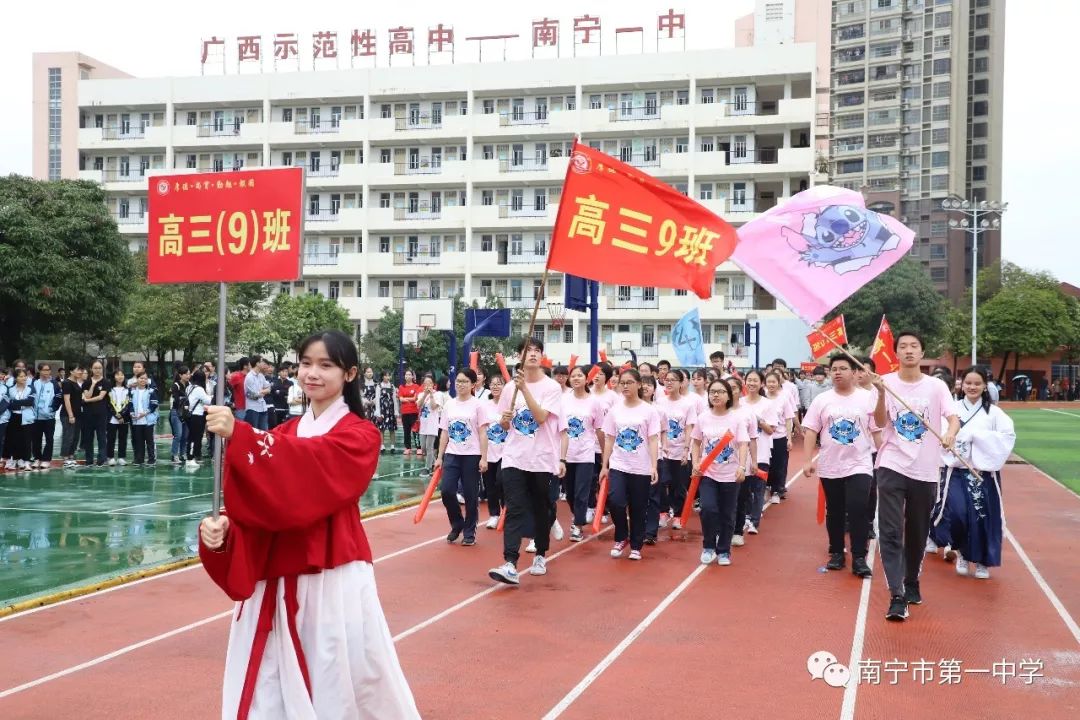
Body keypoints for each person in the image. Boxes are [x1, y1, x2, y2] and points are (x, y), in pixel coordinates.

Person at [198, 330, 420, 719]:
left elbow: (307, 469)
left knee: (337, 678)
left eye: (325, 365)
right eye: (305, 363)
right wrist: (224, 532)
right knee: (266, 685)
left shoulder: (359, 435)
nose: (311, 373)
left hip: (329, 578)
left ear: (349, 374)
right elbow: (261, 500)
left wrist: (241, 434)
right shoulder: (280, 435)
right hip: (274, 575)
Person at [874, 331, 960, 622]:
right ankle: (896, 595)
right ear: (895, 352)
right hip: (891, 464)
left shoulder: (936, 387)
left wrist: (949, 434)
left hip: (925, 469)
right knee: (890, 530)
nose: (909, 351)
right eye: (903, 347)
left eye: (914, 346)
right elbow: (880, 422)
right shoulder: (885, 382)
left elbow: (953, 417)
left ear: (922, 353)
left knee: (917, 530)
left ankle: (911, 579)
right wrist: (882, 394)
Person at [488, 338, 563, 585]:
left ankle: (540, 553)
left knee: (541, 508)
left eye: (537, 351)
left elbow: (541, 417)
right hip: (513, 457)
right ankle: (510, 562)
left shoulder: (551, 387)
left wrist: (525, 389)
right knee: (515, 507)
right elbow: (505, 423)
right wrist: (505, 420)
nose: (532, 354)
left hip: (541, 459)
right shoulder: (510, 388)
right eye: (528, 351)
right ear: (520, 356)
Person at [930, 368, 1015, 580]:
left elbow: (1007, 437)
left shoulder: (994, 413)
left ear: (985, 385)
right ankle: (962, 552)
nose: (972, 387)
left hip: (982, 474)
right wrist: (946, 440)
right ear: (961, 384)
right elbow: (940, 433)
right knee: (957, 515)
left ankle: (983, 562)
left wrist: (976, 437)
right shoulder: (953, 409)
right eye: (968, 382)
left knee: (982, 519)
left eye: (977, 383)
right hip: (957, 472)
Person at [801, 354, 876, 579]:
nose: (837, 372)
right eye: (834, 369)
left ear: (854, 372)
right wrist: (807, 460)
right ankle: (836, 552)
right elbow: (812, 430)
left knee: (857, 508)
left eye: (843, 368)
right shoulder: (822, 400)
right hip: (830, 464)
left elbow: (878, 429)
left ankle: (859, 557)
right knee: (834, 511)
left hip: (860, 463)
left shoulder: (868, 397)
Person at [599, 369, 661, 560]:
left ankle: (636, 544)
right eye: (622, 383)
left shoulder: (649, 411)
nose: (625, 386)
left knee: (638, 507)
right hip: (619, 465)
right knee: (616, 502)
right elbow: (609, 439)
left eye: (629, 382)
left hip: (641, 467)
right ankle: (621, 537)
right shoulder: (614, 410)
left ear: (639, 384)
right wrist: (604, 465)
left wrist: (653, 466)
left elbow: (652, 439)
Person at [690, 378, 749, 566]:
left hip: (731, 475)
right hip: (709, 473)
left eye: (720, 391)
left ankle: (723, 550)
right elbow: (697, 442)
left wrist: (741, 467)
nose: (715, 394)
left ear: (728, 396)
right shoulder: (703, 418)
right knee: (708, 509)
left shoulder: (737, 418)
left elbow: (743, 443)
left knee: (727, 513)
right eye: (712, 391)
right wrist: (695, 462)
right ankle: (708, 546)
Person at [434, 369, 490, 547]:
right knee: (447, 491)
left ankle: (469, 532)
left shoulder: (478, 405)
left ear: (473, 384)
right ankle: (457, 523)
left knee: (471, 495)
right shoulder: (450, 404)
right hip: (452, 454)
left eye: (465, 381)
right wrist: (439, 457)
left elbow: (482, 433)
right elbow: (444, 432)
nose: (460, 384)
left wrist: (484, 457)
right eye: (458, 381)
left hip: (471, 455)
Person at [559, 366, 603, 542]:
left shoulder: (594, 402)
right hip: (566, 453)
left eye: (580, 375)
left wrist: (606, 455)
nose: (576, 378)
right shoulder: (563, 400)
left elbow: (599, 429)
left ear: (587, 379)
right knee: (569, 493)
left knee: (581, 492)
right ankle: (578, 515)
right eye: (573, 376)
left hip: (586, 453)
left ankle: (577, 525)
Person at [652, 369, 697, 535]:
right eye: (667, 379)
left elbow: (689, 427)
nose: (669, 382)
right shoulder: (659, 402)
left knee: (678, 485)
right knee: (661, 482)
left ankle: (678, 514)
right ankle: (663, 512)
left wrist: (686, 449)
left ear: (681, 383)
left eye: (673, 380)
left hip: (680, 450)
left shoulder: (687, 404)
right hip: (662, 450)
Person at [740, 370, 778, 534]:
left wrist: (759, 420)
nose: (752, 383)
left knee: (759, 488)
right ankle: (746, 516)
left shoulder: (767, 404)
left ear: (761, 383)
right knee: (744, 489)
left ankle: (755, 521)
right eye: (749, 380)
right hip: (742, 453)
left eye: (755, 381)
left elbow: (771, 430)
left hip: (761, 452)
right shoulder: (739, 403)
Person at [728, 376, 760, 548]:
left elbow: (753, 439)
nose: (730, 391)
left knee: (740, 499)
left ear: (740, 390)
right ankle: (723, 530)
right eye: (728, 387)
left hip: (742, 465)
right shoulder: (716, 411)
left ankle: (737, 532)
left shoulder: (748, 413)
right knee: (722, 501)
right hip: (720, 464)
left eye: (734, 388)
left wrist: (754, 461)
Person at [764, 370, 795, 502]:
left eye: (774, 382)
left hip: (779, 437)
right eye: (768, 382)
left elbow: (788, 419)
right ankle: (765, 487)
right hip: (764, 437)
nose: (771, 384)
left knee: (779, 465)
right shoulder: (762, 397)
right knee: (766, 464)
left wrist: (789, 438)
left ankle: (777, 490)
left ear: (778, 383)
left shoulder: (784, 398)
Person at [483, 375, 508, 529]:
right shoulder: (484, 405)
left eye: (499, 384)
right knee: (489, 484)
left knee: (502, 481)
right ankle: (494, 514)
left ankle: (506, 510)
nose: (496, 387)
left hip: (506, 452)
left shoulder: (509, 405)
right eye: (493, 384)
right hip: (488, 451)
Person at [30, 363, 62, 470]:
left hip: (49, 418)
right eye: (44, 370)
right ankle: (37, 458)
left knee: (49, 439)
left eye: (48, 370)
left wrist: (52, 409)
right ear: (39, 371)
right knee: (36, 439)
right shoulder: (34, 383)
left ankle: (46, 460)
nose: (46, 372)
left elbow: (58, 397)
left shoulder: (54, 384)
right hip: (36, 417)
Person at [3, 369, 35, 471]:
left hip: (27, 417)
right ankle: (15, 460)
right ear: (16, 378)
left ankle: (26, 462)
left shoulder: (31, 389)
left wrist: (15, 402)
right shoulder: (10, 389)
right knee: (14, 440)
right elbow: (9, 405)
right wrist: (21, 402)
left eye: (24, 376)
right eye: (20, 376)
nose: (23, 378)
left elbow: (30, 402)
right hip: (14, 417)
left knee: (26, 440)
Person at [81, 360, 110, 468]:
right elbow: (87, 395)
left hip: (101, 414)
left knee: (101, 437)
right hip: (88, 415)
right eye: (95, 368)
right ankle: (89, 460)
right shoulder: (86, 383)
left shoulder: (106, 382)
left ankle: (101, 460)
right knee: (88, 438)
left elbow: (101, 397)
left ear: (102, 369)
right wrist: (93, 385)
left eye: (99, 368)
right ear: (91, 369)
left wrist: (87, 401)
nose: (97, 370)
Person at [129, 372, 159, 467]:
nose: (143, 380)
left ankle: (151, 459)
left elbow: (154, 404)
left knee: (149, 441)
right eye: (141, 378)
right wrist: (132, 413)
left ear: (147, 381)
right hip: (137, 421)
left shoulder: (151, 391)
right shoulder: (132, 392)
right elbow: (130, 404)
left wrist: (145, 412)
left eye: (145, 379)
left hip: (148, 420)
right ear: (137, 379)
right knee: (139, 441)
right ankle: (139, 459)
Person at [186, 370, 212, 467]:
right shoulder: (199, 389)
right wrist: (213, 396)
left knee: (191, 436)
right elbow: (208, 400)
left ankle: (190, 454)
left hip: (190, 414)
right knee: (197, 436)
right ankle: (195, 456)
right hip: (197, 415)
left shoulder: (189, 387)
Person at [105, 368, 131, 466]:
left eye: (122, 375)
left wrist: (122, 415)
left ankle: (121, 457)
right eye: (117, 374)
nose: (120, 377)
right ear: (114, 377)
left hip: (124, 419)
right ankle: (110, 457)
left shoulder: (128, 390)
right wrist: (117, 415)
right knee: (111, 438)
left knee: (123, 438)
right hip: (112, 419)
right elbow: (109, 404)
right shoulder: (109, 389)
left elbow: (128, 404)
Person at [61, 366, 85, 468]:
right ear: (71, 371)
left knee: (75, 437)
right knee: (68, 436)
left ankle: (71, 456)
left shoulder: (76, 383)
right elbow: (67, 400)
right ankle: (65, 458)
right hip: (68, 415)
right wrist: (71, 415)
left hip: (78, 414)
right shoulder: (67, 383)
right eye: (78, 370)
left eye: (81, 370)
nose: (80, 372)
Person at [169, 366, 191, 465]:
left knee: (185, 435)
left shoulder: (189, 385)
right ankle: (174, 455)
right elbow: (176, 399)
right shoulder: (176, 385)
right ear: (180, 375)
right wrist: (185, 400)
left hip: (186, 413)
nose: (188, 375)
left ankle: (183, 454)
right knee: (178, 434)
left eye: (189, 373)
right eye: (186, 374)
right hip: (176, 412)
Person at [244, 356, 272, 431]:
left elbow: (269, 388)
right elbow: (254, 395)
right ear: (257, 363)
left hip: (263, 407)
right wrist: (263, 391)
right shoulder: (249, 377)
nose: (263, 364)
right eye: (262, 362)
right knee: (254, 432)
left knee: (264, 432)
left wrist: (262, 391)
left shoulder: (261, 375)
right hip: (253, 409)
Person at [398, 369, 421, 456]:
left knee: (415, 430)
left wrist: (406, 399)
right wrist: (409, 399)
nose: (407, 376)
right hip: (405, 412)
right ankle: (408, 448)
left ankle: (418, 447)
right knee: (406, 431)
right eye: (406, 375)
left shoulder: (416, 386)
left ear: (412, 376)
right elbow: (400, 399)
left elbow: (415, 398)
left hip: (414, 412)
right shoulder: (401, 387)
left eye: (409, 375)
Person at [269, 363, 292, 429]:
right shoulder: (274, 381)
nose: (285, 373)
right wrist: (283, 392)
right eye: (283, 371)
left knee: (284, 427)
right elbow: (273, 391)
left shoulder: (290, 383)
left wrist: (279, 391)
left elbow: (289, 393)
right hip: (276, 408)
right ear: (279, 373)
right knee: (275, 427)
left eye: (286, 371)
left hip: (286, 408)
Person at [227, 357, 250, 421]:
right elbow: (227, 388)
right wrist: (232, 402)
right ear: (245, 366)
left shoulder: (250, 377)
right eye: (250, 364)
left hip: (250, 407)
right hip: (240, 408)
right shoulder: (236, 376)